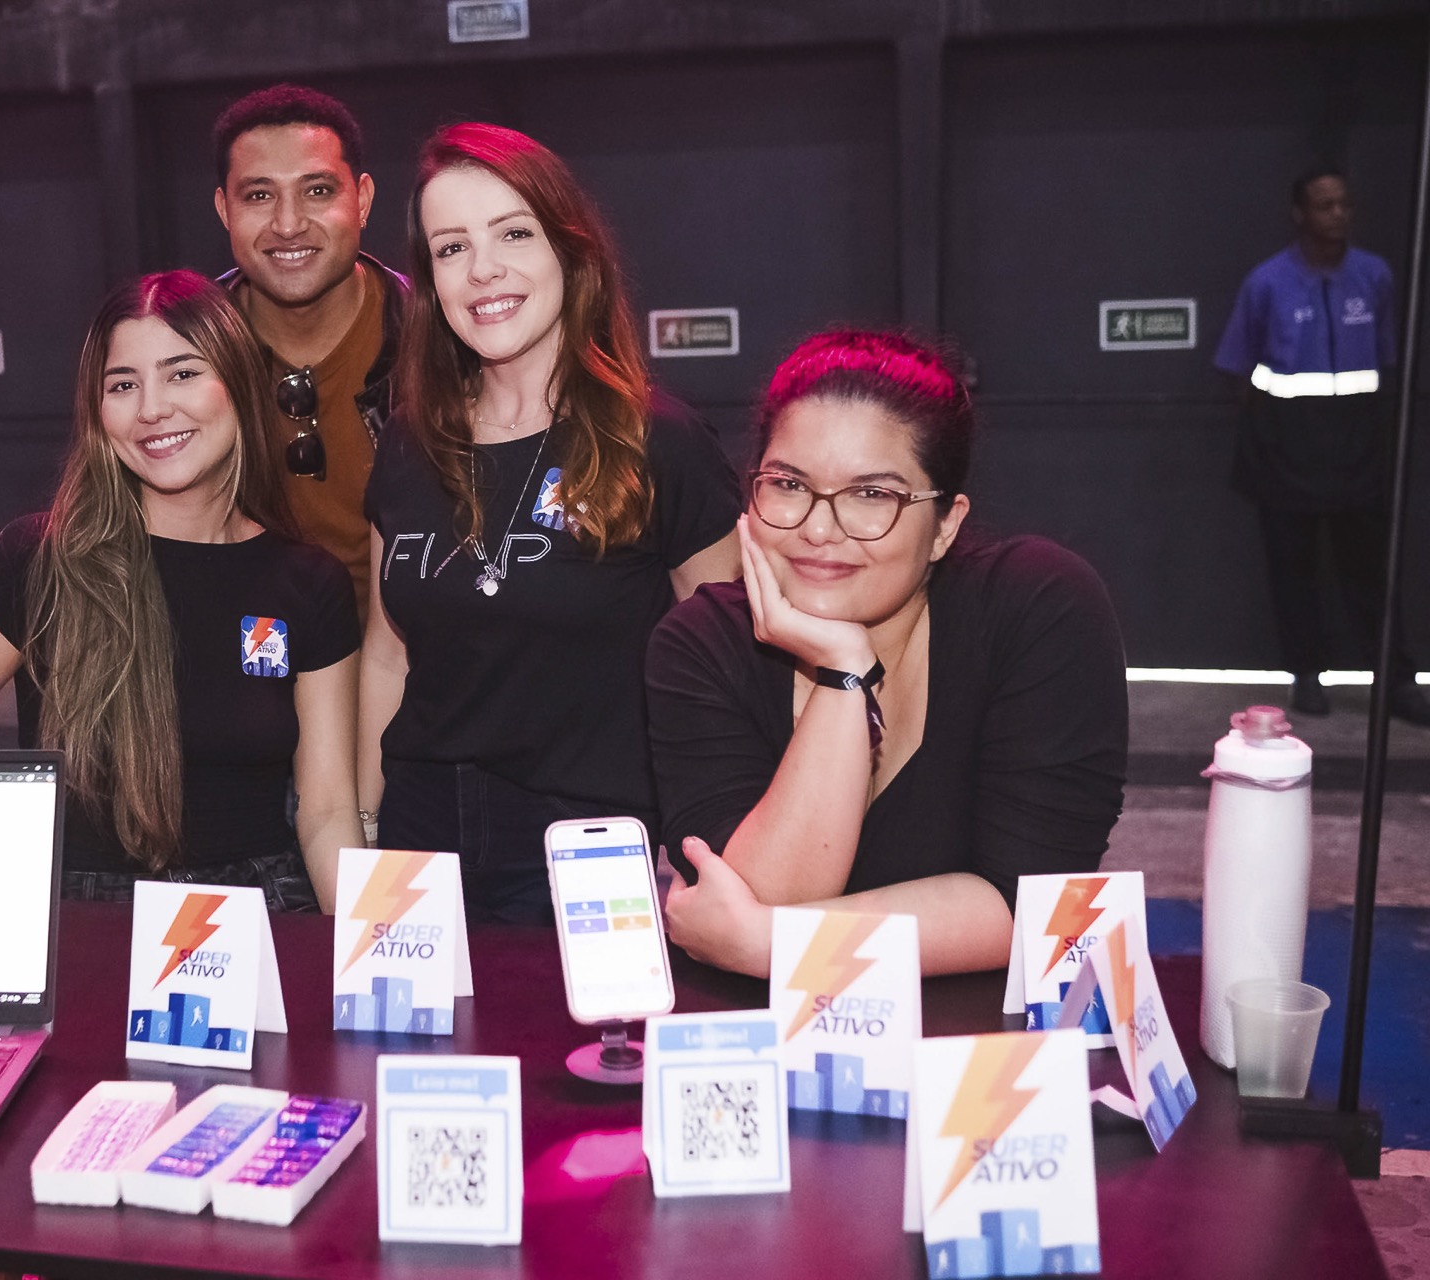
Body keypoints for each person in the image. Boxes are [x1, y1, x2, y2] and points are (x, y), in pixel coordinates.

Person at [647, 330, 1128, 977]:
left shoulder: (1036, 607)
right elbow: (765, 893)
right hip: (769, 1029)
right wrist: (844, 670)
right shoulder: (699, 644)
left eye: (873, 495)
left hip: (983, 1030)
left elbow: (1039, 908)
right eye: (788, 484)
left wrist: (772, 945)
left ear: (946, 525)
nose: (819, 528)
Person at [360, 122, 742, 926]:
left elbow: (730, 669)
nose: (483, 269)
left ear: (570, 251)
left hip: (590, 842)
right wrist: (364, 825)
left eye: (513, 233)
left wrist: (705, 838)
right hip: (419, 840)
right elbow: (388, 656)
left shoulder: (660, 442)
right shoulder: (406, 440)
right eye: (452, 248)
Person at [0, 271, 363, 909]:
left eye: (183, 373)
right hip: (85, 918)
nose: (151, 409)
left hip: (257, 916)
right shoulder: (36, 561)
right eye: (122, 385)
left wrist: (360, 947)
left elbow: (328, 810)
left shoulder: (308, 582)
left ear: (239, 383)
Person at [1213, 166, 1430, 725]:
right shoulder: (1267, 283)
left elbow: (1386, 362)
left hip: (1358, 451)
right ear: (1300, 213)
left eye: (1344, 204)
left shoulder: (1374, 276)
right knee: (1294, 573)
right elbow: (1240, 371)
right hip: (1288, 453)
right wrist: (1271, 436)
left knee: (1373, 573)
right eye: (1324, 205)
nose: (1337, 214)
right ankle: (1307, 675)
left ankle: (1397, 682)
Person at [213, 84, 411, 618]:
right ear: (224, 209)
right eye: (259, 196)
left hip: (424, 654)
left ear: (362, 200)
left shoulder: (441, 342)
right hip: (243, 654)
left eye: (317, 191)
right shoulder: (187, 352)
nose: (288, 224)